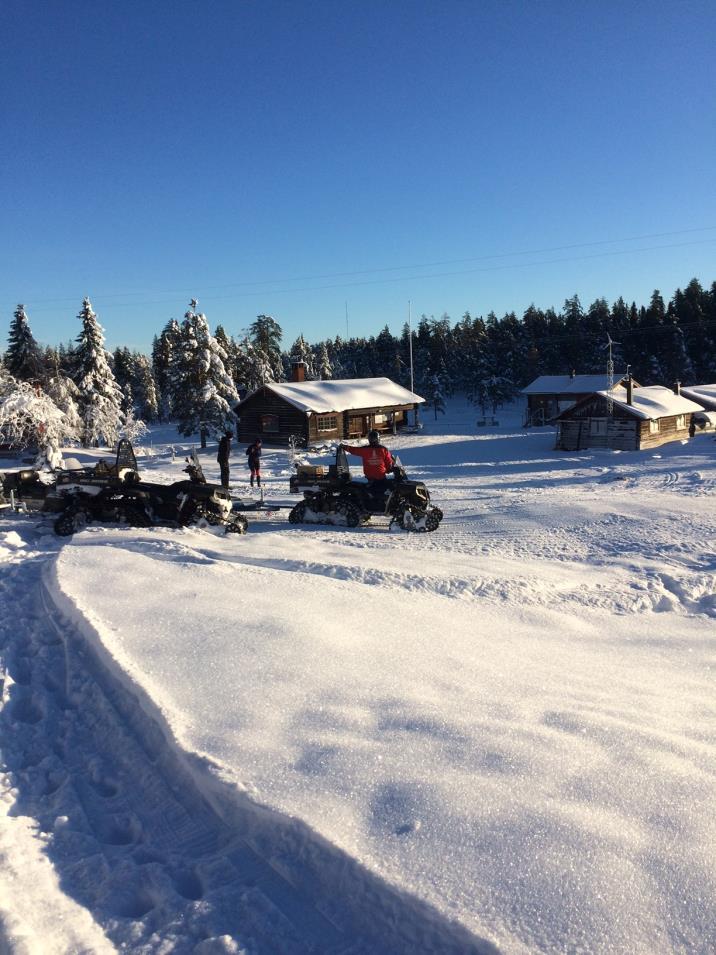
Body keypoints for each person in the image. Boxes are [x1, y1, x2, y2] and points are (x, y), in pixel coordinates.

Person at [340, 430, 393, 501]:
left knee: (378, 489)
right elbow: (389, 461)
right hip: (381, 476)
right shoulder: (383, 449)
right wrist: (389, 469)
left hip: (370, 477)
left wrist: (345, 447)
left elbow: (354, 450)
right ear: (378, 439)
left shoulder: (365, 449)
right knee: (387, 488)